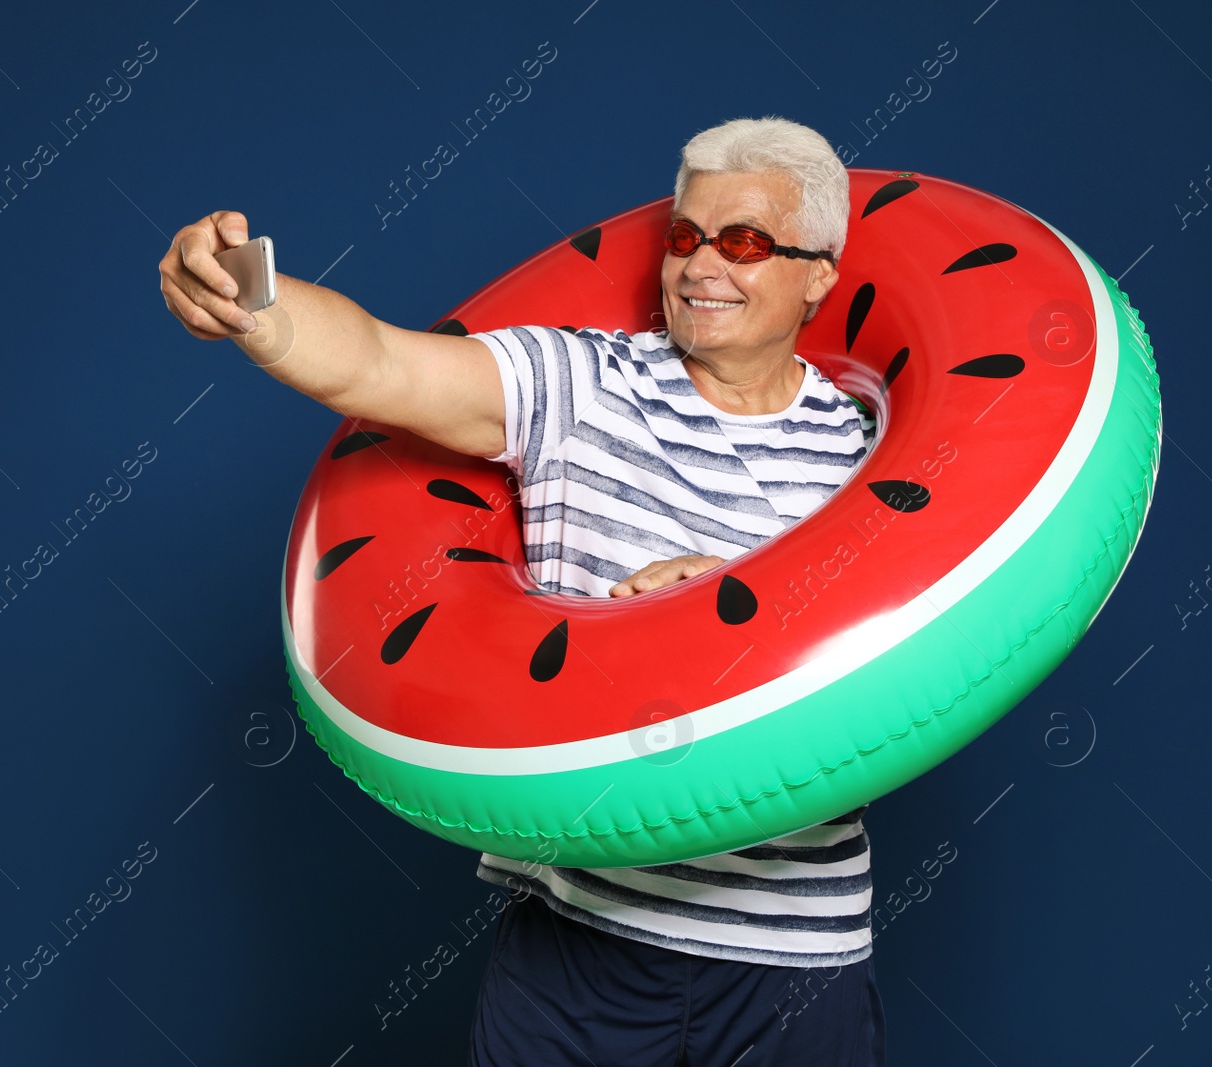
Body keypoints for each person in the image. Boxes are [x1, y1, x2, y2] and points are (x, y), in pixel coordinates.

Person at [160, 115, 886, 1066]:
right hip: (582, 943)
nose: (702, 266)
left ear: (819, 271)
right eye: (684, 237)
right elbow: (378, 360)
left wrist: (708, 615)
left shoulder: (865, 453)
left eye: (743, 242)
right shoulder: (582, 380)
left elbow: (880, 666)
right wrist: (245, 295)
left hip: (797, 958)